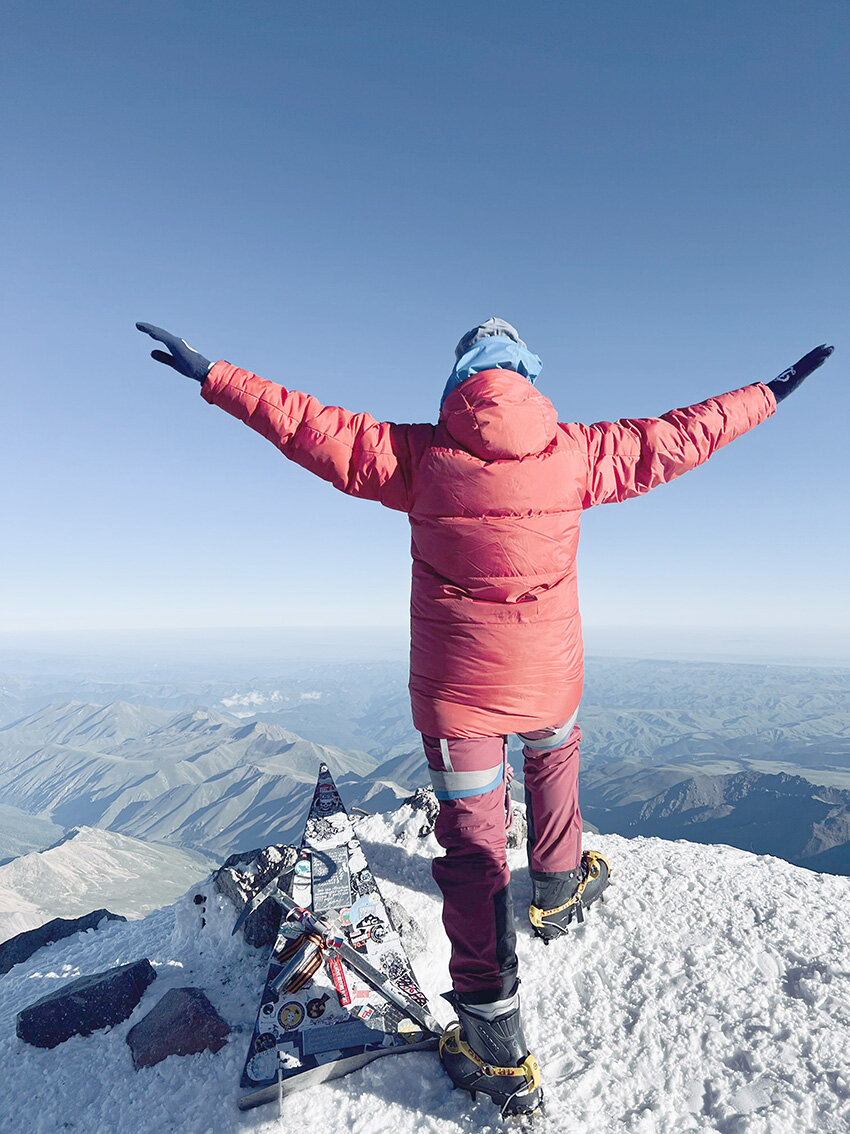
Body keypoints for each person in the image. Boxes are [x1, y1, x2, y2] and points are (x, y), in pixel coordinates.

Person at [137, 317, 833, 1115]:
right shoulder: (576, 452)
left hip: (456, 695)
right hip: (547, 681)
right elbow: (684, 435)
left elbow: (304, 425)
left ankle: (493, 1041)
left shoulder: (419, 455)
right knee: (554, 755)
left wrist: (213, 374)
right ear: (528, 378)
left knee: (472, 854)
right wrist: (770, 393)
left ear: (460, 382)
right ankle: (561, 890)